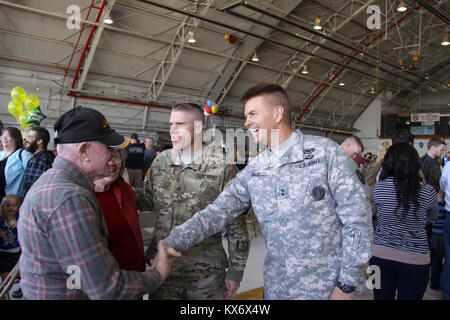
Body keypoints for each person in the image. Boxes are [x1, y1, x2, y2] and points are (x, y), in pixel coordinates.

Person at [154, 84, 372, 300]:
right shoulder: (256, 169)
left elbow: (358, 220)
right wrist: (172, 241)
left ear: (278, 113)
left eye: (253, 114)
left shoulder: (325, 154)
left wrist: (347, 284)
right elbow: (215, 213)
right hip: (277, 288)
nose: (246, 122)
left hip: (326, 289)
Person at [17, 106, 177, 300]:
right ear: (84, 150)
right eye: (108, 148)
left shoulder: (57, 184)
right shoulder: (70, 198)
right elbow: (105, 287)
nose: (113, 155)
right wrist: (157, 274)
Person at [137, 103, 250, 300]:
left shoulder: (221, 166)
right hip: (164, 268)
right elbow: (148, 199)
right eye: (171, 124)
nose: (172, 130)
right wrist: (119, 190)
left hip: (205, 273)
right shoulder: (162, 161)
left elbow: (236, 225)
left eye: (180, 124)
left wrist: (235, 271)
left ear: (198, 127)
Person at [370, 143, 438, 300]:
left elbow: (379, 215)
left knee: (380, 297)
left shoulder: (379, 188)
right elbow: (433, 218)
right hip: (415, 260)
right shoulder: (428, 191)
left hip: (380, 257)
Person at [94, 148, 145, 272]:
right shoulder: (80, 195)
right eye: (105, 157)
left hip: (135, 278)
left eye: (115, 157)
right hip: (104, 281)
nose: (111, 163)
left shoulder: (125, 190)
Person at [20, 127, 55, 199]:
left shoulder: (38, 161)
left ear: (39, 141)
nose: (26, 140)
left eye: (29, 137)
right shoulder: (50, 157)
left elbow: (33, 187)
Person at [0, 127, 33, 201]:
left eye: (8, 136)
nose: (4, 139)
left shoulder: (23, 155)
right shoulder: (0, 154)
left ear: (15, 139)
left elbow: (32, 174)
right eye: (3, 136)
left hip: (12, 200)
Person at [0, 194, 21, 296]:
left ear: (18, 207)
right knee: (5, 281)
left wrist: (19, 225)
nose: (10, 208)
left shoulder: (20, 219)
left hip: (16, 253)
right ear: (3, 207)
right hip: (3, 254)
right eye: (7, 205)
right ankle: (4, 296)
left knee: (14, 279)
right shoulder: (1, 221)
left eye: (13, 205)